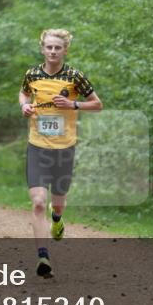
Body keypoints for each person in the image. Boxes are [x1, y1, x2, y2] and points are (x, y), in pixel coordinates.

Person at [19, 29, 102, 277]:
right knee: (38, 202)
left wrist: (73, 104)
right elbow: (24, 92)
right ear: (42, 49)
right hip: (37, 147)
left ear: (65, 50)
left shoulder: (75, 76)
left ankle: (57, 219)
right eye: (49, 47)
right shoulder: (32, 74)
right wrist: (24, 105)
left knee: (57, 203)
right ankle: (43, 256)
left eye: (57, 48)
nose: (53, 51)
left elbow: (97, 104)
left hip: (64, 149)